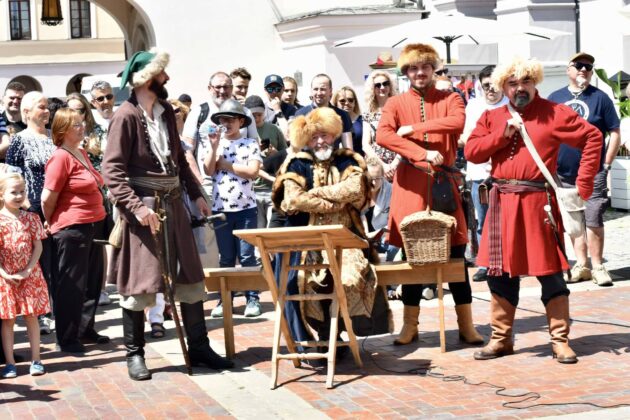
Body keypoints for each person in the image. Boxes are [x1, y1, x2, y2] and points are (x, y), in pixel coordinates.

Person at [102, 49, 233, 380]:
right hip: (144, 212)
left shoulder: (164, 114)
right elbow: (113, 173)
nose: (167, 80)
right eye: (162, 75)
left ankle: (200, 348)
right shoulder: (126, 116)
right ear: (146, 78)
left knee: (190, 279)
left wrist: (196, 195)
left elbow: (178, 161)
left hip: (174, 207)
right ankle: (135, 354)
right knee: (140, 284)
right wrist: (136, 208)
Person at [465, 57, 602, 364]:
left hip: (539, 203)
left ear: (535, 82)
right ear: (504, 87)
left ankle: (560, 340)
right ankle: (501, 339)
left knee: (550, 273)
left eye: (525, 82)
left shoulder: (554, 113)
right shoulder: (492, 117)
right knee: (498, 275)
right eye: (512, 84)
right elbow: (472, 153)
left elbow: (592, 137)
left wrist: (584, 183)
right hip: (501, 202)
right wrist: (503, 135)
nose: (519, 89)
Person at [376, 43, 483, 346]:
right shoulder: (395, 103)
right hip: (410, 186)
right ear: (406, 72)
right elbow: (384, 134)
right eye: (413, 68)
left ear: (433, 68)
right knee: (413, 262)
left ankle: (466, 325)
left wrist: (413, 128)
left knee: (457, 257)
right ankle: (410, 326)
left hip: (444, 188)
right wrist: (420, 151)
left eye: (425, 66)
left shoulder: (451, 97)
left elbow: (457, 122)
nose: (419, 72)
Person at [271, 107, 391, 349]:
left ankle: (335, 333)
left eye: (324, 135)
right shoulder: (296, 163)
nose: (319, 141)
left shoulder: (349, 159)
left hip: (346, 242)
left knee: (347, 280)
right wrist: (333, 201)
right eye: (314, 137)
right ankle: (321, 337)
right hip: (307, 245)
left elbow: (355, 190)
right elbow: (293, 200)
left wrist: (313, 195)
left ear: (334, 134)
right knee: (302, 284)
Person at [548, 52, 621, 287]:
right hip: (563, 173)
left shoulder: (600, 98)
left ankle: (598, 265)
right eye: (578, 65)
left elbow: (615, 132)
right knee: (573, 221)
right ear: (568, 70)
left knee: (593, 217)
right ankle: (582, 264)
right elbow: (546, 133)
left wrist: (606, 164)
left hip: (594, 171)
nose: (583, 70)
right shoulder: (555, 98)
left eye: (588, 67)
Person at [42, 108, 109, 353]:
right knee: (71, 286)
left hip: (94, 225)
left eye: (82, 123)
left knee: (92, 282)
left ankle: (84, 329)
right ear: (62, 130)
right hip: (72, 228)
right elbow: (48, 197)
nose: (82, 127)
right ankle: (67, 338)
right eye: (76, 125)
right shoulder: (60, 157)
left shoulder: (81, 152)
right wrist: (51, 221)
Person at [181, 71, 258, 271]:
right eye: (218, 87)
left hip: (243, 196)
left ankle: (248, 294)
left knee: (245, 252)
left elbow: (254, 151)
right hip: (207, 187)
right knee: (211, 244)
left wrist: (227, 166)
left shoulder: (246, 112)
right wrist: (198, 182)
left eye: (226, 87)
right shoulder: (198, 112)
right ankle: (219, 292)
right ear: (210, 88)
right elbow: (187, 152)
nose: (222, 91)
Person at [203, 99, 262, 318]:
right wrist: (214, 146)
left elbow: (253, 171)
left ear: (240, 121)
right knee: (225, 257)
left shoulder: (249, 143)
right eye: (222, 119)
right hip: (221, 210)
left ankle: (252, 298)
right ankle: (224, 299)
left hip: (246, 209)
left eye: (230, 119)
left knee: (247, 256)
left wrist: (226, 165)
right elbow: (208, 170)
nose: (225, 123)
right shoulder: (215, 145)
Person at [5, 91, 56, 336]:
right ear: (26, 113)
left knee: (60, 265)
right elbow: (14, 177)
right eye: (41, 107)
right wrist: (28, 211)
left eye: (47, 107)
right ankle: (41, 314)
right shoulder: (19, 141)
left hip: (59, 209)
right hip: (34, 211)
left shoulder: (55, 137)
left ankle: (59, 311)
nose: (46, 111)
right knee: (40, 265)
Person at [460, 65, 509, 282]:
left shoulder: (510, 104)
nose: (490, 89)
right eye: (486, 85)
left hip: (505, 174)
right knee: (482, 219)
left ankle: (507, 261)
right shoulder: (474, 105)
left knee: (506, 219)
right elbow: (467, 137)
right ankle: (485, 263)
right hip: (479, 173)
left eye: (494, 84)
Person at [0, 173, 49, 378]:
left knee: (31, 317)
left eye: (22, 191)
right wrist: (3, 273)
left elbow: (38, 245)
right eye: (14, 192)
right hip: (5, 277)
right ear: (1, 194)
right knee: (8, 320)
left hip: (30, 275)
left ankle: (36, 359)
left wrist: (28, 269)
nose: (19, 196)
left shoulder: (31, 218)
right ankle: (10, 363)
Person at [66, 92, 112, 307]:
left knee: (98, 243)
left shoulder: (97, 132)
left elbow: (107, 161)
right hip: (73, 200)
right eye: (72, 109)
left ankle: (100, 289)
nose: (76, 114)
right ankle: (81, 292)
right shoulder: (62, 135)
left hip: (98, 193)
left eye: (80, 110)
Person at [244, 95, 287, 230]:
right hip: (251, 190)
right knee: (258, 230)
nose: (256, 118)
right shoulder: (242, 132)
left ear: (264, 113)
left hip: (271, 189)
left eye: (259, 114)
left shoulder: (273, 129)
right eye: (252, 115)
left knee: (272, 229)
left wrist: (275, 155)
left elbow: (286, 155)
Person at [295, 74, 354, 150]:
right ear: (311, 91)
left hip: (334, 160)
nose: (319, 93)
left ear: (330, 91)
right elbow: (297, 146)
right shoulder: (300, 114)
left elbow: (348, 148)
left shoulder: (342, 115)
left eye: (323, 89)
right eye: (316, 89)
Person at [362, 70, 400, 182]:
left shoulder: (399, 110)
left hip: (397, 164)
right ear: (372, 89)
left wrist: (394, 164)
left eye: (385, 83)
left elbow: (405, 139)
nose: (382, 87)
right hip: (376, 166)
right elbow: (365, 144)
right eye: (377, 85)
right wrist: (383, 165)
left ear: (391, 85)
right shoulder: (368, 113)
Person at [333, 86, 364, 156]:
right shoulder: (331, 122)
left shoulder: (363, 121)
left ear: (355, 102)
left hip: (360, 161)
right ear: (336, 103)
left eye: (350, 100)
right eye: (342, 101)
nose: (347, 103)